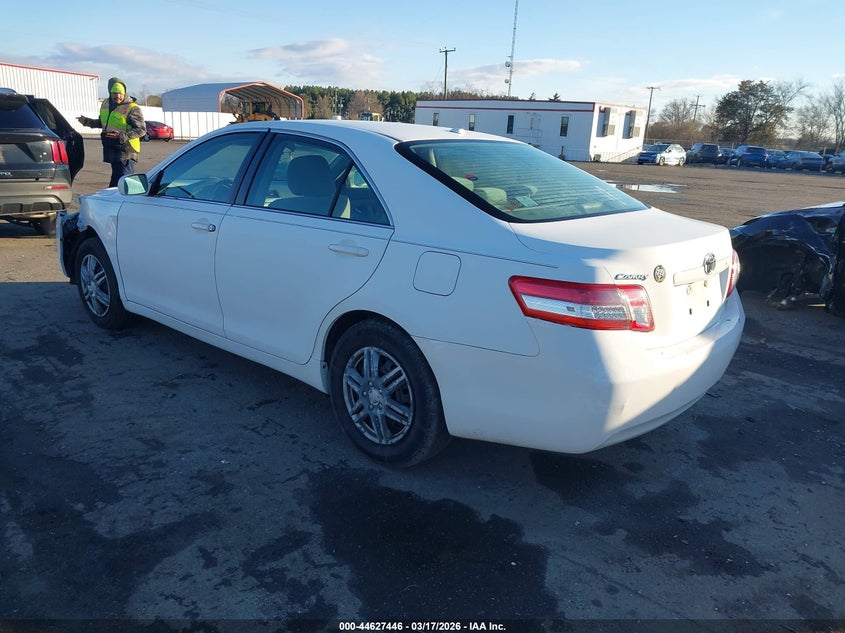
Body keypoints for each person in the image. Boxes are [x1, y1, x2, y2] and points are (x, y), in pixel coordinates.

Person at [77, 77, 146, 187]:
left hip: (126, 151)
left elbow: (141, 130)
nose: (117, 96)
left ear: (124, 93)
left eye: (120, 93)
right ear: (110, 92)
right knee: (116, 183)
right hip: (112, 148)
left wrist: (121, 136)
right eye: (114, 93)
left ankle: (128, 202)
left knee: (124, 183)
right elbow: (103, 122)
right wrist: (87, 122)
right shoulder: (106, 104)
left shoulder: (132, 108)